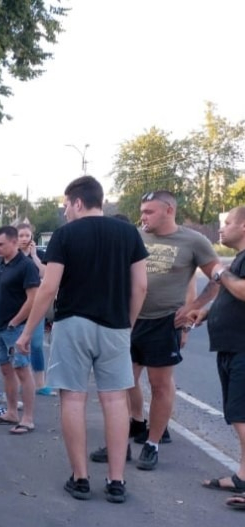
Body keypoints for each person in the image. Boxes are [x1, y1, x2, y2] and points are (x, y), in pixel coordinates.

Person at [16, 176, 148, 504]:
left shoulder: (65, 235)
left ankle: (80, 478)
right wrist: (126, 325)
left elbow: (48, 287)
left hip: (73, 323)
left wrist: (28, 331)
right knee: (115, 401)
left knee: (74, 400)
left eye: (65, 205)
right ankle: (116, 481)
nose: (64, 212)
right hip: (115, 326)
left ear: (77, 202)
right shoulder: (129, 233)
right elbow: (141, 286)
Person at [89, 190, 220, 470]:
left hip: (164, 323)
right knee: (121, 384)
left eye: (149, 211)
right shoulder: (134, 236)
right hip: (129, 321)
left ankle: (152, 444)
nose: (143, 217)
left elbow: (218, 278)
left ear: (168, 210)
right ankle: (119, 444)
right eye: (142, 211)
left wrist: (194, 306)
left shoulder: (193, 241)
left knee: (160, 386)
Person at [183, 206, 245, 508]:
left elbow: (243, 290)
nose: (222, 229)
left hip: (243, 348)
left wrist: (220, 272)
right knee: (238, 415)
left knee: (243, 417)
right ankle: (242, 477)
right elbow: (230, 294)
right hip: (230, 347)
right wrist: (206, 313)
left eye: (228, 223)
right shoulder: (241, 260)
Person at [0, 225, 39, 434]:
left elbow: (33, 298)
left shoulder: (26, 266)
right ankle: (11, 412)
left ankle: (27, 418)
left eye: (0, 244)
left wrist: (15, 322)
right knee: (6, 371)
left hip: (14, 329)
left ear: (14, 242)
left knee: (23, 371)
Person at [16, 220, 55, 397]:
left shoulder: (38, 253)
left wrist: (35, 257)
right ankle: (20, 382)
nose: (24, 238)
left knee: (37, 345)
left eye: (27, 235)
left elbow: (46, 275)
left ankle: (40, 383)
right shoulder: (12, 255)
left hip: (36, 306)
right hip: (17, 307)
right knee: (18, 345)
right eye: (20, 235)